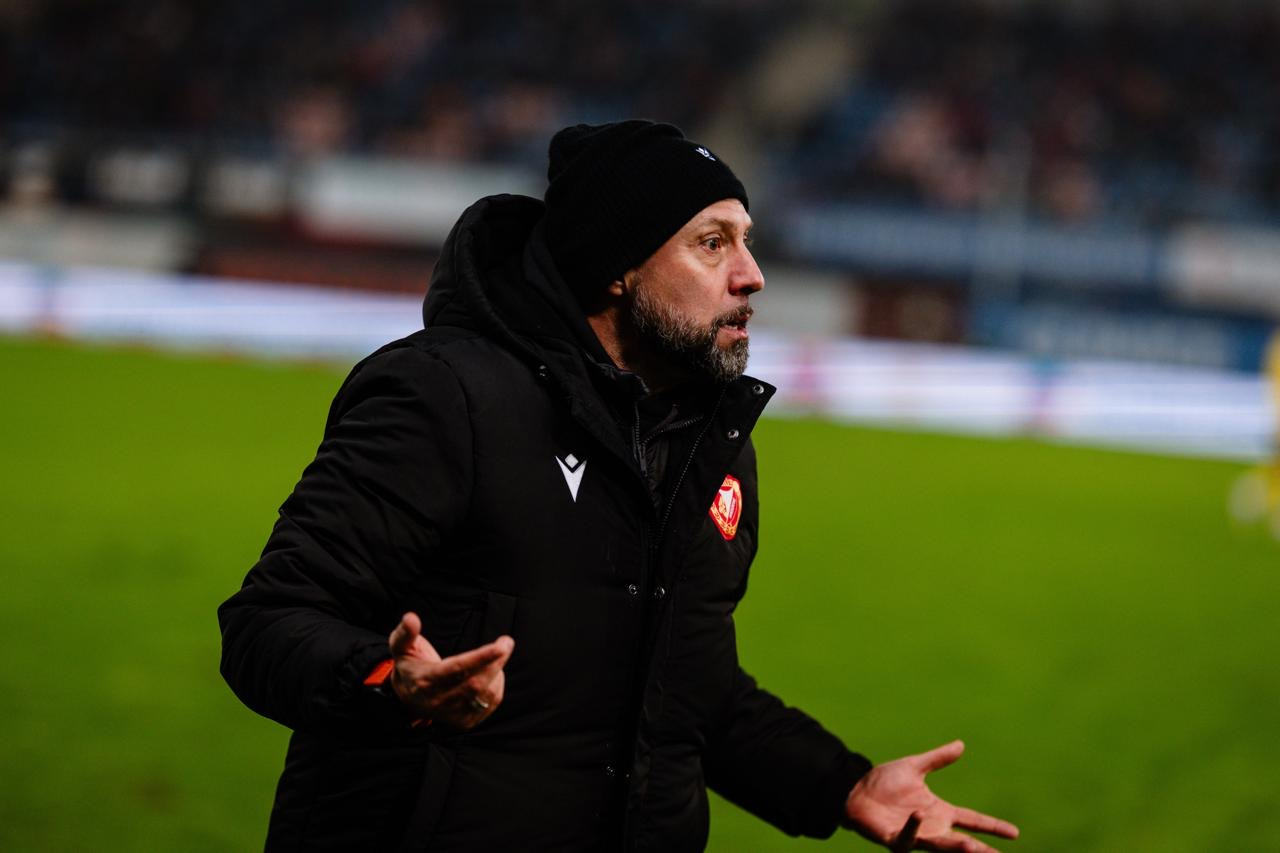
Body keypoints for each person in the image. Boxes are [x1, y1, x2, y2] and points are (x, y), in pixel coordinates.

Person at [219, 120, 1020, 852]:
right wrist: (388, 683)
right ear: (616, 268)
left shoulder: (710, 443)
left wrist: (843, 785)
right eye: (712, 244)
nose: (752, 275)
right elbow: (268, 622)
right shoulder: (445, 395)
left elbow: (686, 689)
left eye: (746, 241)